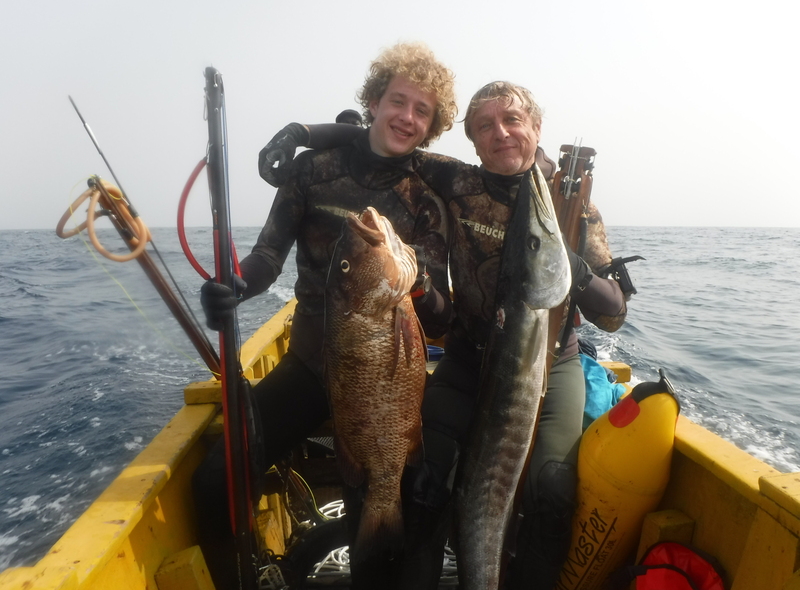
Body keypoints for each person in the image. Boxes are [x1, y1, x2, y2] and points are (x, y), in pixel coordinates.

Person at [263, 81, 630, 590]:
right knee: (423, 480)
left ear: (536, 127)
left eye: (513, 120)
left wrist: (574, 269)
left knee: (552, 489)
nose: (501, 133)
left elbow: (613, 316)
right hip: (467, 359)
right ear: (473, 142)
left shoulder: (572, 208)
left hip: (549, 364)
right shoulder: (458, 182)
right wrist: (302, 133)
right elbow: (383, 138)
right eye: (485, 126)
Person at [193, 41, 458, 590]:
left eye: (422, 110)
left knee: (401, 504)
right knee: (217, 479)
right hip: (314, 365)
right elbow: (268, 255)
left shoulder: (428, 195)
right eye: (397, 101)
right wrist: (236, 284)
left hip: (388, 378)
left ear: (431, 125)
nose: (406, 117)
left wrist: (419, 283)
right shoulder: (312, 171)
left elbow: (437, 318)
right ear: (374, 101)